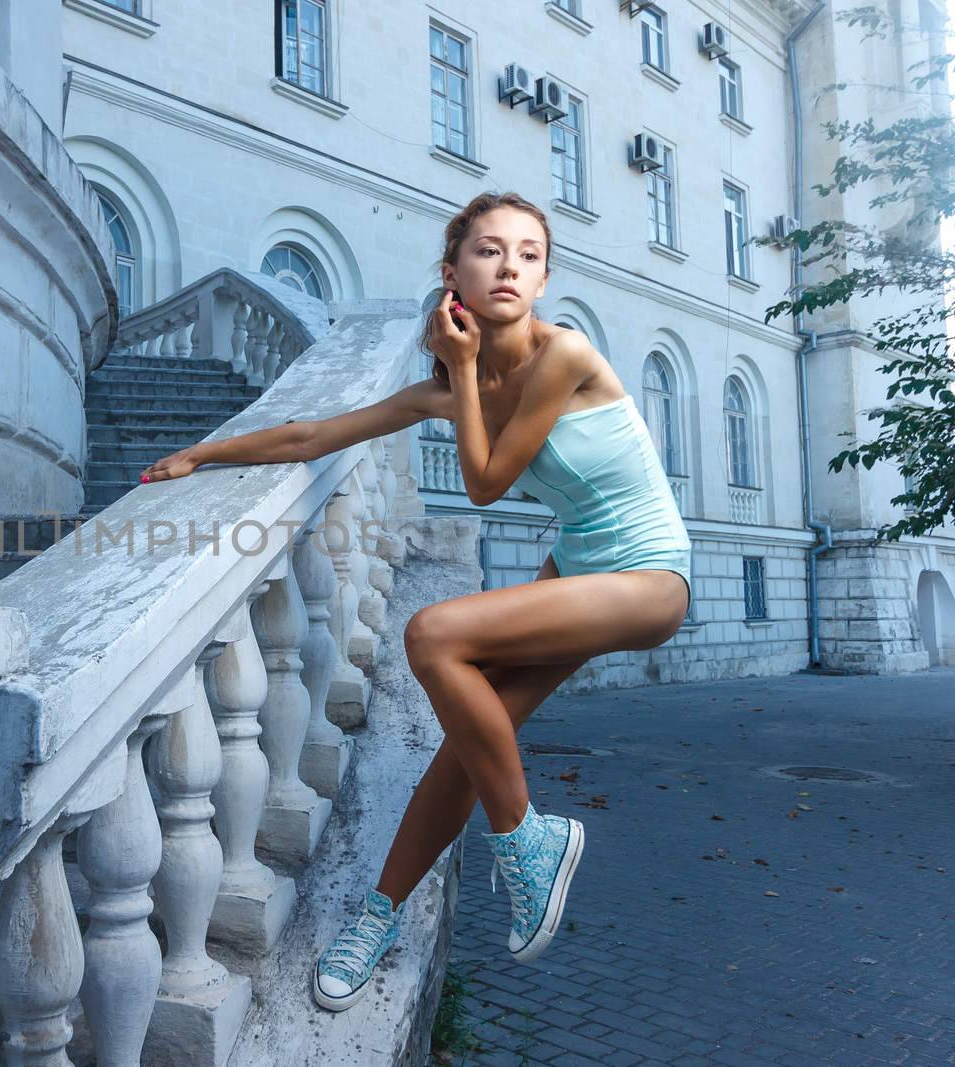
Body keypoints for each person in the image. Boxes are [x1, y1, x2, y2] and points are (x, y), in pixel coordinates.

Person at [136, 191, 692, 1011]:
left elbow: (485, 481)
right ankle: (379, 915)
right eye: (490, 249)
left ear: (543, 281)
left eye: (530, 254)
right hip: (574, 567)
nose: (510, 265)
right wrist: (200, 453)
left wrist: (463, 372)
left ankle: (529, 839)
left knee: (433, 635)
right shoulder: (447, 390)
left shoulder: (565, 355)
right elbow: (310, 436)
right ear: (453, 273)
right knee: (468, 745)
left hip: (648, 575)